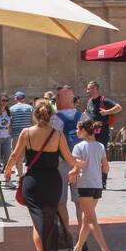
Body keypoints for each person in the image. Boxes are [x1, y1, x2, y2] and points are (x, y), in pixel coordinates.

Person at [3, 99, 81, 251]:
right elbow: (69, 159)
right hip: (53, 181)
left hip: (33, 181)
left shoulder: (26, 133)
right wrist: (78, 165)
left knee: (37, 220)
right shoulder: (57, 134)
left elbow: (15, 155)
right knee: (48, 219)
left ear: (35, 114)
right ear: (51, 115)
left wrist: (7, 170)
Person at [69, 117, 111, 251]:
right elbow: (106, 168)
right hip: (97, 186)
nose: (76, 131)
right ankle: (78, 247)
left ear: (84, 130)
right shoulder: (100, 146)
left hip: (85, 185)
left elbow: (76, 169)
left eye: (78, 129)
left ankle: (104, 249)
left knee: (90, 218)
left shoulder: (78, 147)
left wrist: (70, 174)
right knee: (87, 217)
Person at [52, 86, 82, 242]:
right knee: (80, 201)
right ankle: (82, 237)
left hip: (61, 162)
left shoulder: (56, 118)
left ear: (61, 100)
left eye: (57, 98)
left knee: (61, 202)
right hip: (79, 163)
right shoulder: (83, 117)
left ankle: (66, 236)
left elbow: (52, 141)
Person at [84, 81, 122, 184]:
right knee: (92, 157)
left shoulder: (104, 100)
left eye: (89, 89)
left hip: (102, 134)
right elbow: (90, 115)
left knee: (101, 157)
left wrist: (106, 112)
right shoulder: (89, 101)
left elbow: (119, 107)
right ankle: (95, 179)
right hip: (91, 134)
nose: (87, 91)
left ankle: (103, 181)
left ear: (95, 89)